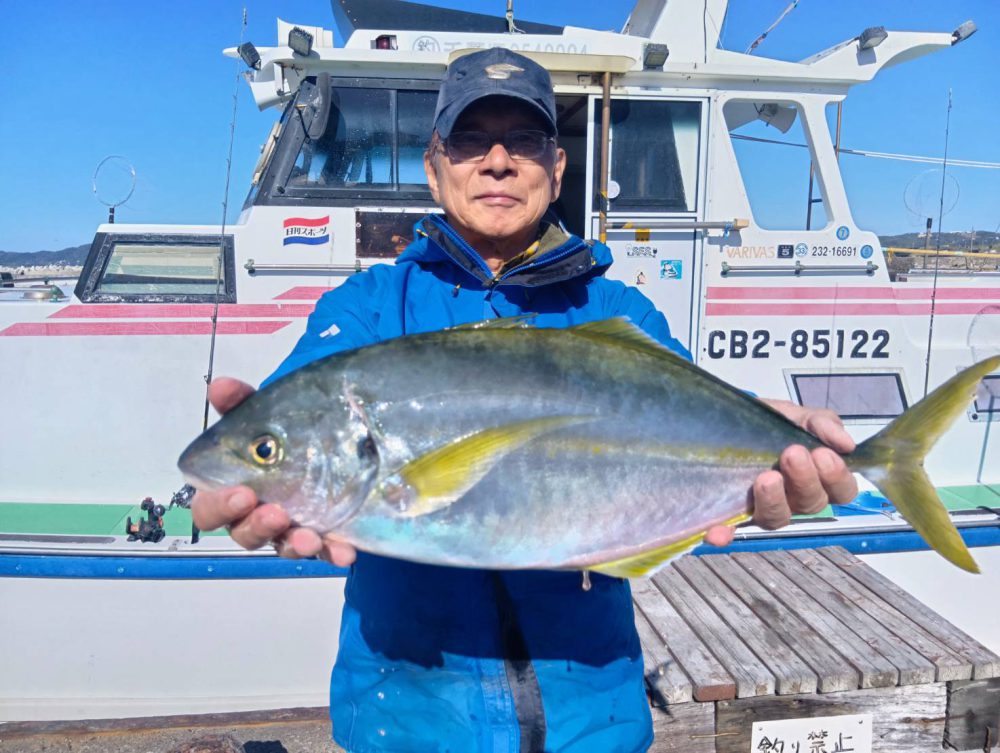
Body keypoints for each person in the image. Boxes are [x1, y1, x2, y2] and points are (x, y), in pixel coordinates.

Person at [192, 48, 858, 753]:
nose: (499, 161)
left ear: (557, 166)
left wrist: (770, 447)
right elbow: (306, 397)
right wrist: (259, 462)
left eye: (527, 141)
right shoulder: (368, 310)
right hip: (410, 724)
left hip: (592, 725)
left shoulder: (616, 310)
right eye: (472, 139)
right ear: (434, 164)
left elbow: (685, 411)